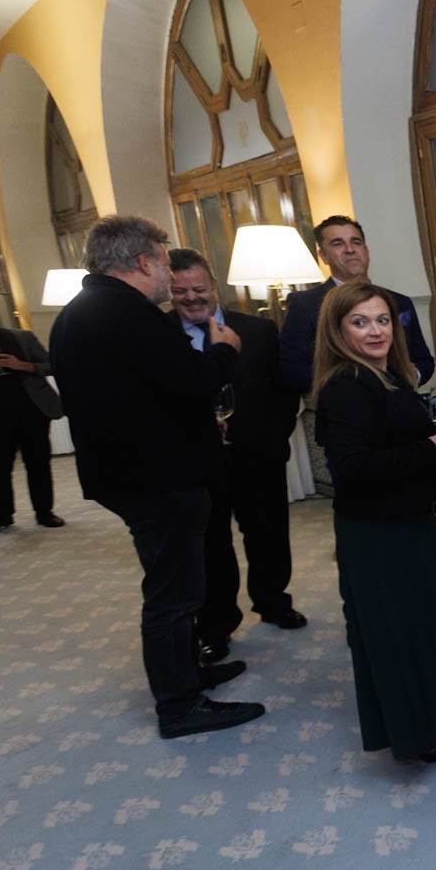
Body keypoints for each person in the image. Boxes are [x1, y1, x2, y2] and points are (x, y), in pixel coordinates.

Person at [48, 215, 262, 738]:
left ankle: (190, 672)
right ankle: (179, 704)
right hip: (157, 478)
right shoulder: (126, 312)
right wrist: (225, 350)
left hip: (126, 472)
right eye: (165, 261)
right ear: (144, 261)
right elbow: (193, 380)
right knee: (174, 596)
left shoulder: (79, 311)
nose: (169, 272)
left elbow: (141, 392)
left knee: (176, 587)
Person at [312, 278, 436, 764]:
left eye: (382, 320)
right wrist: (428, 448)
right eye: (359, 322)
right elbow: (354, 468)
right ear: (337, 331)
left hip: (404, 520)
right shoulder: (346, 385)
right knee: (398, 632)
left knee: (424, 621)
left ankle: (433, 717)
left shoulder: (389, 376)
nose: (375, 331)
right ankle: (417, 734)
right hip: (376, 531)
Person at [167, 248, 305, 663]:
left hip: (258, 454)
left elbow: (283, 390)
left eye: (199, 288)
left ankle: (273, 600)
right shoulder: (157, 336)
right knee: (210, 544)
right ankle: (215, 624)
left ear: (214, 286)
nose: (192, 297)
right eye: (180, 291)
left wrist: (275, 435)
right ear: (169, 293)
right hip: (195, 462)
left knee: (268, 534)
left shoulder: (259, 330)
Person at [278, 215, 436, 393]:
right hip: (338, 406)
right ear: (323, 256)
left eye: (356, 242)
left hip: (399, 401)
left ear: (366, 251)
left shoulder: (400, 302)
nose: (349, 249)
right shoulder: (304, 304)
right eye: (338, 243)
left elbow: (424, 361)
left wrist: (410, 377)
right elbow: (294, 372)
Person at [0, 322, 65, 531]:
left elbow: (51, 364)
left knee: (38, 462)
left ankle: (44, 512)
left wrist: (24, 365)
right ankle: (1, 516)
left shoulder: (22, 338)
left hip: (32, 411)